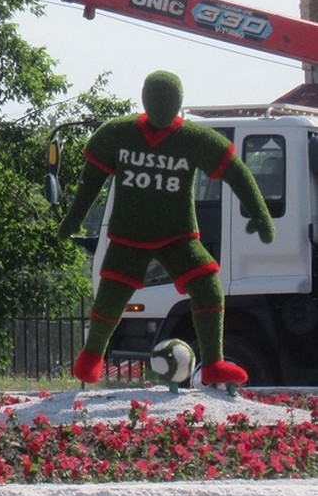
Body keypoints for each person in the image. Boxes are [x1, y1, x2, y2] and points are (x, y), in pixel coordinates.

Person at [57, 70, 275, 387]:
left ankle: (214, 363)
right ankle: (91, 357)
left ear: (178, 103)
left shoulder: (191, 139)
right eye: (156, 101)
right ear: (145, 100)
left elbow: (236, 171)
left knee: (208, 285)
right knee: (110, 295)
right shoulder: (119, 133)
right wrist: (74, 217)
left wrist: (260, 214)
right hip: (128, 236)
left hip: (178, 236)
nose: (161, 109)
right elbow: (90, 180)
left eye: (168, 102)